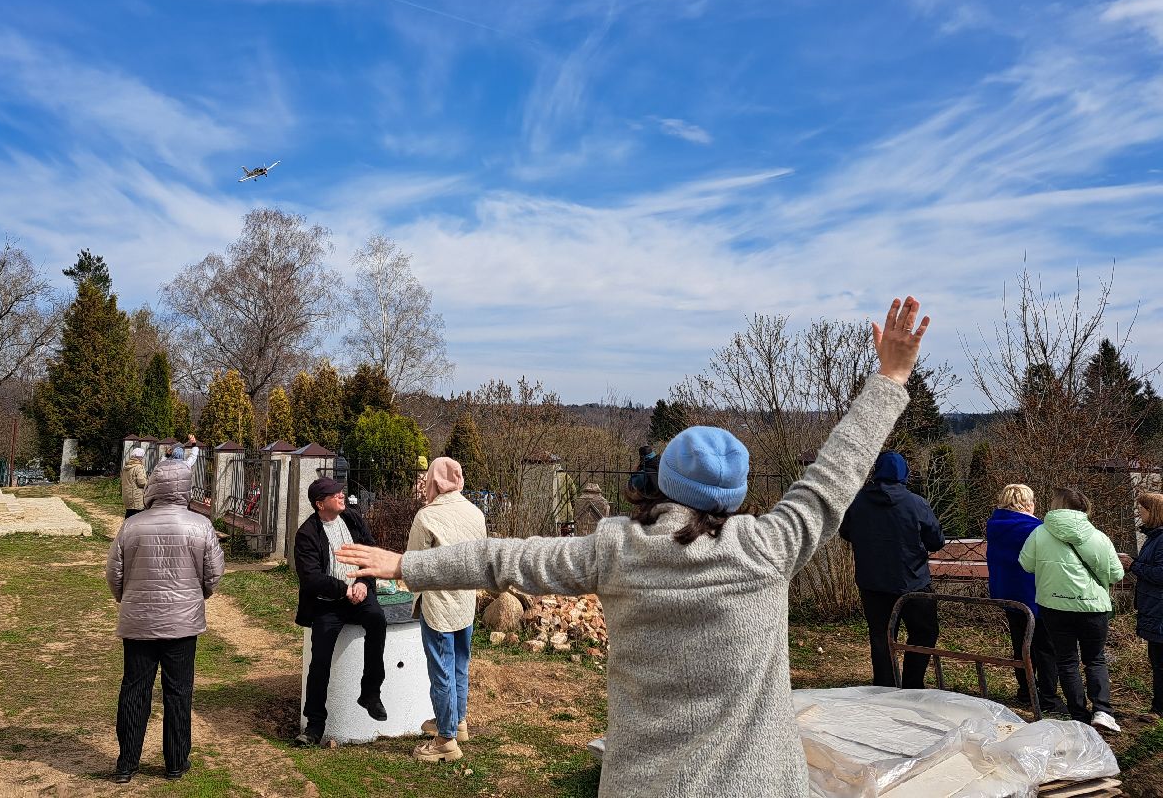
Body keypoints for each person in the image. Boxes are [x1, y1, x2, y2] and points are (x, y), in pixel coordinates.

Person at [338, 297, 928, 798]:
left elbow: (505, 558)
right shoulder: (768, 547)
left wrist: (406, 564)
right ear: (735, 495)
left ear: (662, 482)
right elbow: (833, 475)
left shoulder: (617, 549)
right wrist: (890, 379)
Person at [107, 459, 225, 783]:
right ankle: (175, 762)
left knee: (135, 689)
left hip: (139, 622)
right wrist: (196, 596)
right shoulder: (200, 525)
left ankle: (126, 764)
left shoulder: (132, 525)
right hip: (182, 624)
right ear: (186, 488)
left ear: (154, 486)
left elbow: (114, 572)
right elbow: (214, 572)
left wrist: (127, 598)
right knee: (178, 692)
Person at [1020, 486, 1124, 733]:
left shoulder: (1039, 533)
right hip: (1093, 606)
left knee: (1066, 661)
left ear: (1056, 505)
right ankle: (1102, 711)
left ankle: (1078, 714)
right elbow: (1117, 574)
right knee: (1095, 659)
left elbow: (1026, 564)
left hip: (1054, 605)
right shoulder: (1098, 536)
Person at [294, 476, 388, 745]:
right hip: (327, 603)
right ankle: (314, 726)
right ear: (319, 503)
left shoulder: (353, 519)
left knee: (377, 620)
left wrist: (363, 583)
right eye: (334, 494)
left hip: (360, 592)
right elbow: (311, 577)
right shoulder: (307, 533)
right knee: (320, 661)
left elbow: (369, 552)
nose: (341, 496)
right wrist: (344, 589)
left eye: (340, 492)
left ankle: (370, 693)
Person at [839, 451, 945, 688]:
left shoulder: (857, 502)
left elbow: (845, 532)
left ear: (876, 472)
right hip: (913, 581)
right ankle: (912, 684)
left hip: (872, 582)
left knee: (881, 635)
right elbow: (936, 541)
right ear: (904, 474)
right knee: (924, 632)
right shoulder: (916, 504)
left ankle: (885, 686)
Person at [407, 458, 487, 763]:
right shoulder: (476, 513)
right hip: (466, 600)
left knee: (441, 669)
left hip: (438, 604)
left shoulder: (427, 516)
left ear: (433, 481)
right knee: (460, 665)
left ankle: (445, 740)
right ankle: (457, 721)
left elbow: (413, 562)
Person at [985, 483, 1063, 713]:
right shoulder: (1036, 528)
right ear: (1028, 503)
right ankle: (1048, 697)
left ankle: (1025, 689)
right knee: (1045, 647)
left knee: (1020, 643)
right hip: (1035, 594)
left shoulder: (994, 525)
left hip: (1007, 592)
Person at [1133, 491, 1163, 716]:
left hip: (1159, 610)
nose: (1139, 513)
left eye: (1141, 509)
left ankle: (1159, 709)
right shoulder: (1154, 537)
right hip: (1154, 608)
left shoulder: (1161, 540)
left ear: (1153, 512)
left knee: (1160, 661)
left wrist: (1133, 566)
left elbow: (1161, 574)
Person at [121, 446, 148, 518]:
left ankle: (126, 525)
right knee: (137, 517)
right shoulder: (139, 467)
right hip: (136, 497)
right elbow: (141, 482)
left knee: (129, 514)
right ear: (140, 457)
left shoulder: (126, 466)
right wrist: (148, 482)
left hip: (127, 496)